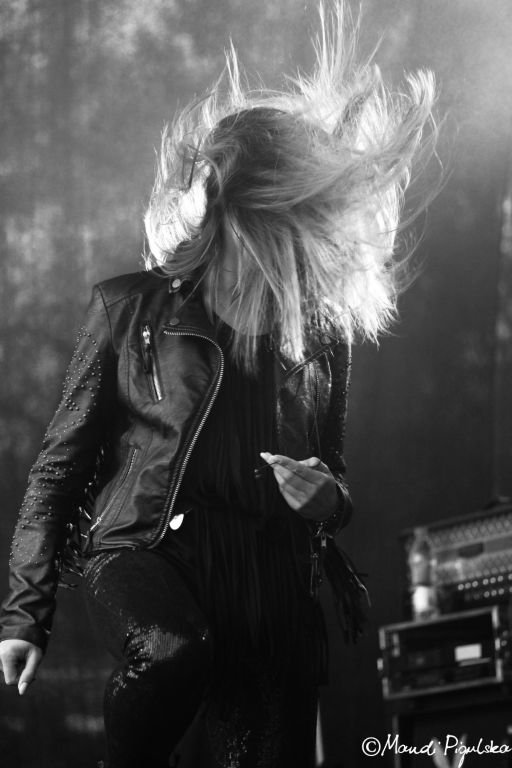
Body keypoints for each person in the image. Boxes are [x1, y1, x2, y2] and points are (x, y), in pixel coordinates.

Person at [0, 4, 437, 767]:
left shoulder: (323, 335)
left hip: (267, 577)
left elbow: (334, 475)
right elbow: (57, 471)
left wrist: (327, 498)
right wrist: (22, 614)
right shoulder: (131, 308)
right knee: (171, 650)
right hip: (148, 552)